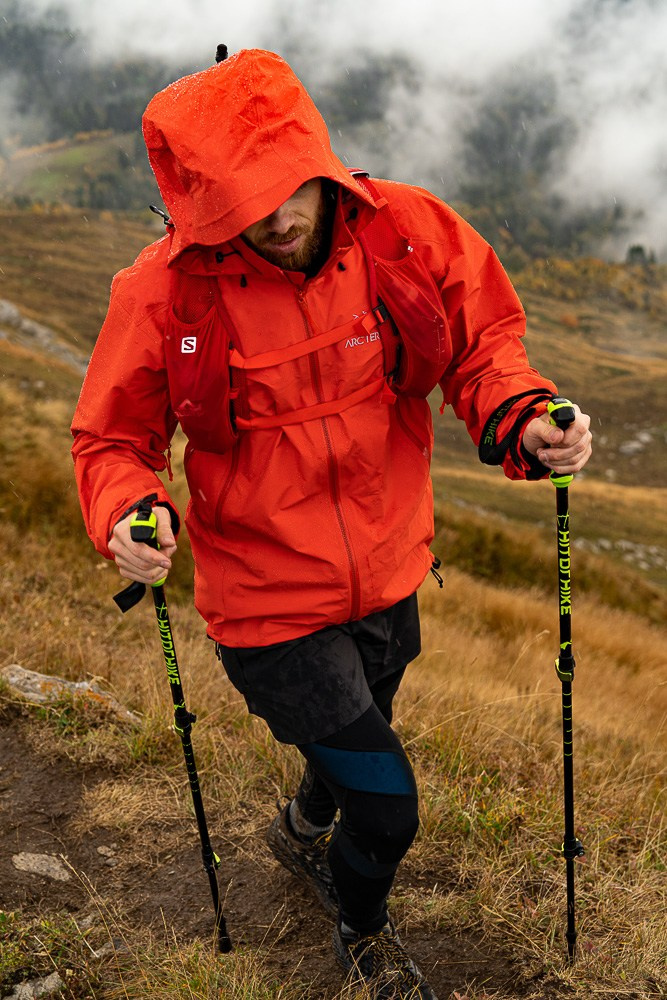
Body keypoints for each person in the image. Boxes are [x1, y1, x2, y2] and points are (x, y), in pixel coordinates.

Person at [71, 48, 592, 1000]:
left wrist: (521, 415)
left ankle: (302, 830)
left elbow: (483, 347)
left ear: (317, 163)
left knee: (364, 733)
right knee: (388, 808)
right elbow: (110, 439)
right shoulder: (163, 295)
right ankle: (363, 935)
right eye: (239, 206)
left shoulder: (405, 231)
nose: (273, 221)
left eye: (284, 192)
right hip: (268, 607)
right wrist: (128, 511)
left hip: (391, 573)